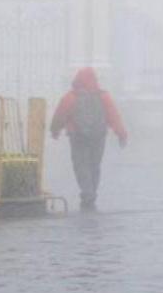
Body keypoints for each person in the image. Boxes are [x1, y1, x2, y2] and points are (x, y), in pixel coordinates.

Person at [50, 67, 128, 212]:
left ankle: (87, 193)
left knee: (81, 165)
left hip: (77, 136)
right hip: (99, 136)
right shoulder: (104, 97)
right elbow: (114, 116)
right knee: (94, 165)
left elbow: (60, 115)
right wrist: (121, 134)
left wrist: (55, 130)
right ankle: (92, 192)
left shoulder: (71, 97)